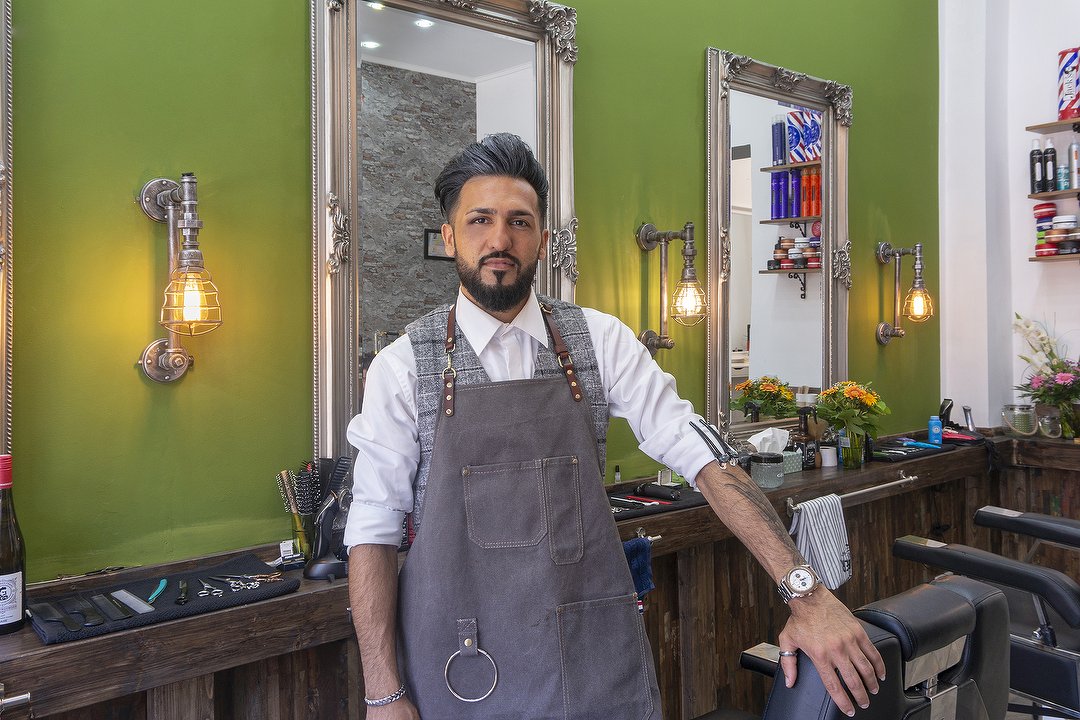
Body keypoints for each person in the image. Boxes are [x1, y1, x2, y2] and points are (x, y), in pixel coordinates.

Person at [345, 133, 884, 720]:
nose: (500, 240)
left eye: (520, 222)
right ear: (450, 237)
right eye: (480, 220)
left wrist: (807, 594)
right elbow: (372, 530)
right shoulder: (403, 367)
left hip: (590, 659)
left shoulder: (599, 342)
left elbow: (704, 457)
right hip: (460, 665)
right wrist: (383, 694)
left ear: (543, 240)